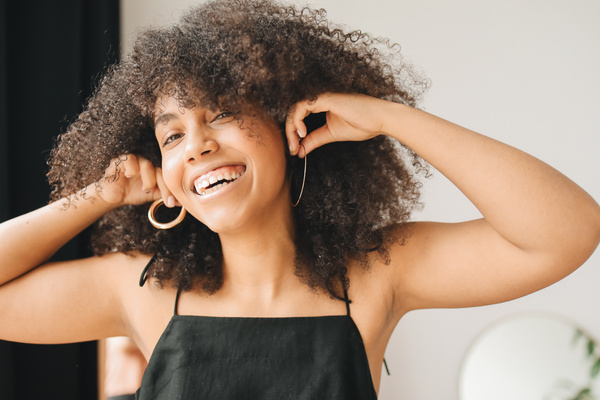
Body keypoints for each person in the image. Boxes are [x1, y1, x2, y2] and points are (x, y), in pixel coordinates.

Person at [1, 0, 599, 398]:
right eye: (172, 134)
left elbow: (566, 232)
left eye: (224, 112)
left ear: (294, 127)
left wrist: (391, 118)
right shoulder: (143, 291)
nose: (198, 146)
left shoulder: (376, 275)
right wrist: (100, 195)